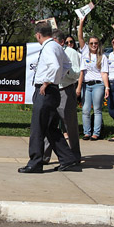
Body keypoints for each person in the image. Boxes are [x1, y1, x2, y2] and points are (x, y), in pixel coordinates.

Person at [19, 22, 79, 173]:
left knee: (38, 128)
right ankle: (67, 158)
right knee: (50, 128)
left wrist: (47, 82)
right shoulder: (57, 46)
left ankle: (35, 162)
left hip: (45, 91)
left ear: (38, 34)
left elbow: (56, 66)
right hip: (53, 92)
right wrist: (58, 78)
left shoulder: (48, 48)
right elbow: (67, 64)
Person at [43, 30, 81, 162]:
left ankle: (75, 155)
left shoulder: (71, 53)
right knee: (49, 123)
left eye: (54, 42)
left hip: (65, 90)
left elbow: (76, 73)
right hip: (52, 89)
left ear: (62, 42)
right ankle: (44, 155)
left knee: (69, 124)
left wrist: (65, 68)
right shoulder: (49, 52)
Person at [77, 20, 109, 141]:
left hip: (98, 85)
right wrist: (81, 22)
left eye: (96, 43)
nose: (94, 45)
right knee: (85, 109)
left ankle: (96, 133)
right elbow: (80, 37)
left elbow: (104, 73)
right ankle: (86, 132)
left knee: (97, 109)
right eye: (91, 43)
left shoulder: (103, 57)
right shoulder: (85, 52)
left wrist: (107, 87)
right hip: (86, 85)